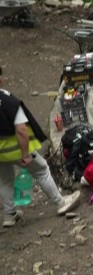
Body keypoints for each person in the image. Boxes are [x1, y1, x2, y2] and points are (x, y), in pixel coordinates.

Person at [0, 67, 81, 227]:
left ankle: (9, 215)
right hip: (15, 149)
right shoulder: (9, 101)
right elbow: (21, 130)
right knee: (42, 170)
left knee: (5, 180)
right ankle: (61, 202)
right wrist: (25, 154)